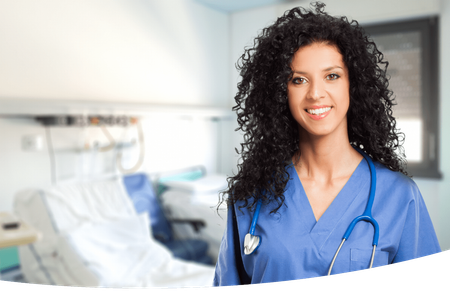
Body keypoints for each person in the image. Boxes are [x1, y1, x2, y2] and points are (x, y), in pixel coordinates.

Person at [213, 2, 441, 286]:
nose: (316, 94)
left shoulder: (398, 197)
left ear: (352, 84)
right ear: (280, 92)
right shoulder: (250, 195)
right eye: (298, 80)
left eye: (332, 76)